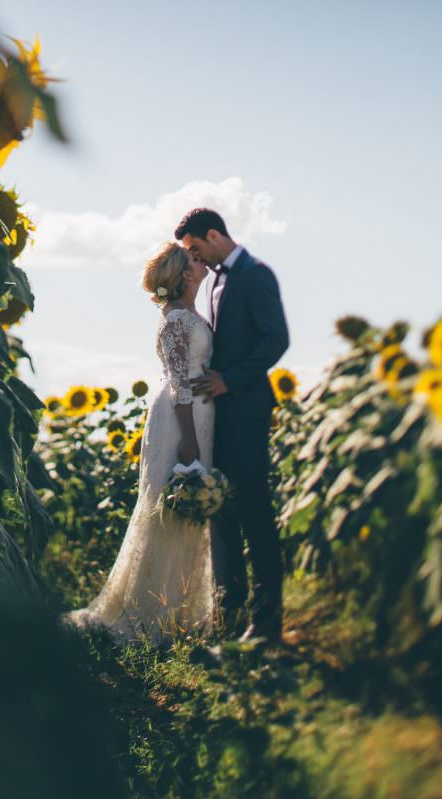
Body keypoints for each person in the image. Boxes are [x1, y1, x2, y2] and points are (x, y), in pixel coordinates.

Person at [65, 243, 217, 644]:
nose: (202, 262)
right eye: (195, 260)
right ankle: (151, 615)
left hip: (200, 415)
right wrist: (187, 438)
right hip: (181, 419)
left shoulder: (192, 314)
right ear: (185, 274)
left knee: (188, 510)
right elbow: (179, 381)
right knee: (169, 508)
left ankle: (182, 612)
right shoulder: (175, 322)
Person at [175, 208, 290, 645]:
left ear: (211, 234)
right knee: (222, 512)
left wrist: (230, 379)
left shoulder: (257, 274)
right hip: (218, 415)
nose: (192, 257)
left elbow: (276, 339)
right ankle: (229, 613)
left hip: (247, 409)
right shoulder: (217, 280)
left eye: (194, 247)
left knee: (256, 512)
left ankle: (267, 624)